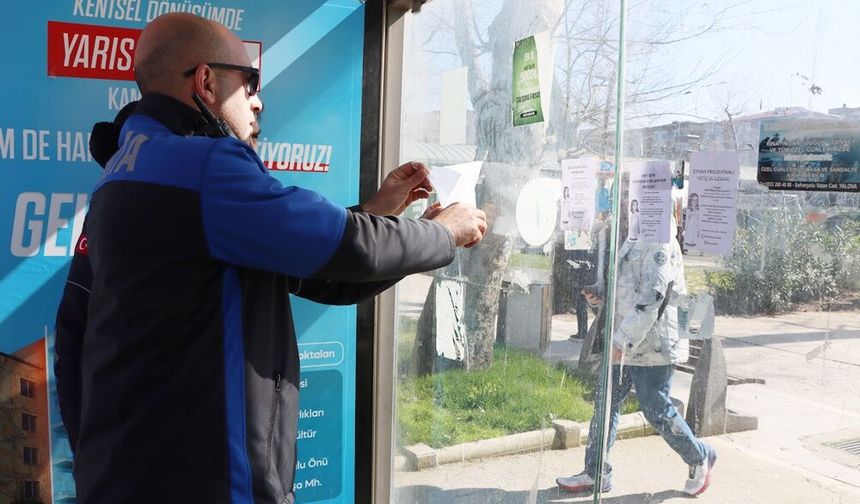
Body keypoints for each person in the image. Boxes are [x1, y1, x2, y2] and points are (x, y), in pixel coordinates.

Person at [54, 13, 487, 504]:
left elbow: (72, 330)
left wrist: (377, 211)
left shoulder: (121, 175)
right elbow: (349, 249)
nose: (258, 100)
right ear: (206, 81)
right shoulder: (206, 167)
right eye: (250, 82)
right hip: (210, 481)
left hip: (124, 476)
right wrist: (444, 232)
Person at [556, 211, 716, 497]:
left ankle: (700, 456)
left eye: (632, 190)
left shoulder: (659, 235)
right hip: (624, 338)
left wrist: (622, 340)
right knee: (606, 402)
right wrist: (600, 297)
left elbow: (654, 296)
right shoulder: (624, 231)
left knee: (654, 406)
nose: (624, 197)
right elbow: (626, 286)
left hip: (652, 343)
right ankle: (596, 473)